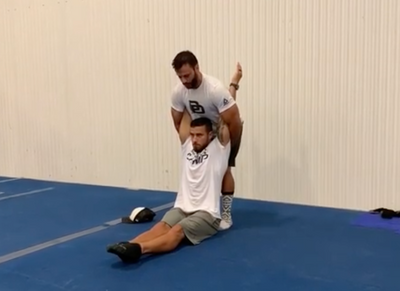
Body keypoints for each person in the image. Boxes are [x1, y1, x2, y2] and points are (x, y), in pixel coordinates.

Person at [106, 117, 231, 263]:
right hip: (183, 207)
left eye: (199, 135)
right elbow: (182, 104)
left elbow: (226, 116)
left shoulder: (219, 149)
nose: (194, 139)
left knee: (177, 231)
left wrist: (230, 94)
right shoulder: (187, 146)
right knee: (160, 226)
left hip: (207, 213)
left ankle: (140, 249)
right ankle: (128, 245)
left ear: (210, 135)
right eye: (192, 135)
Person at [169, 50, 243, 230]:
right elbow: (178, 123)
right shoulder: (179, 92)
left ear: (197, 68)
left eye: (187, 75)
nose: (184, 80)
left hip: (221, 125)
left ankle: (225, 213)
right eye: (180, 77)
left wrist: (228, 150)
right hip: (199, 130)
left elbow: (234, 120)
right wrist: (190, 145)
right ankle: (197, 206)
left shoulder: (214, 89)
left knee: (225, 169)